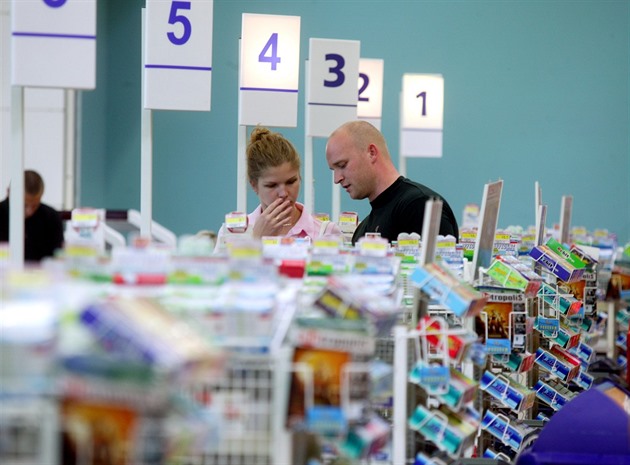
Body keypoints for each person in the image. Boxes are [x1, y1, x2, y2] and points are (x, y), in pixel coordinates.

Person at [325, 120, 459, 244]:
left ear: (371, 153)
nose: (337, 179)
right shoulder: (363, 229)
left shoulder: (419, 206)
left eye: (342, 165)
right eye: (333, 170)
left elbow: (440, 268)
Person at [215, 127, 341, 251]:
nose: (284, 193)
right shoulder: (230, 234)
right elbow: (222, 272)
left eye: (291, 182)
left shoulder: (326, 233)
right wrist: (256, 240)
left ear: (300, 176)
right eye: (272, 185)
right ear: (254, 185)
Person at [0, 169, 64, 262]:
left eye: (34, 205)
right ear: (9, 192)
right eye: (24, 205)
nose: (29, 211)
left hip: (43, 275)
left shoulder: (51, 217)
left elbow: (58, 256)